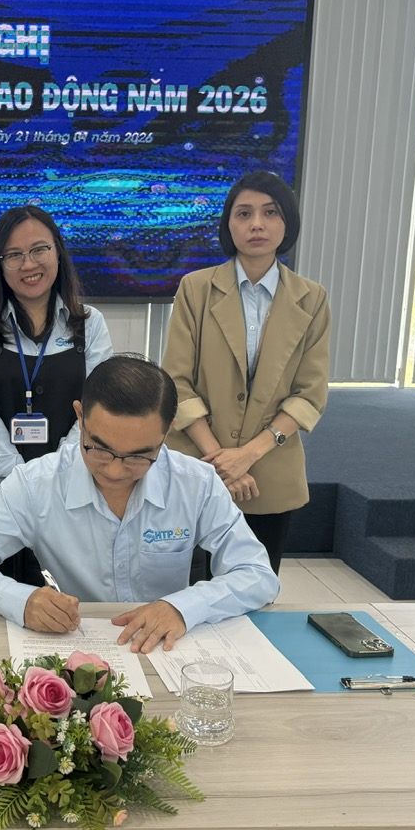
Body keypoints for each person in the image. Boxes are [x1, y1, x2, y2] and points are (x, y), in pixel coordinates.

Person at [0, 355, 277, 654]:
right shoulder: (35, 484)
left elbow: (258, 575)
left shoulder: (196, 483)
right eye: (98, 448)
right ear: (80, 417)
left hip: (165, 648)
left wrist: (181, 608)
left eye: (138, 456)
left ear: (167, 431)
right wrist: (20, 600)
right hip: (76, 647)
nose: (115, 471)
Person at [161, 170, 330, 575]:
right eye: (244, 213)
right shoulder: (195, 289)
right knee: (187, 593)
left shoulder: (311, 298)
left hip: (268, 470)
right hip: (199, 465)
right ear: (229, 224)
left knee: (255, 591)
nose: (257, 224)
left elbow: (309, 394)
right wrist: (221, 461)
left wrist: (247, 456)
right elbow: (177, 384)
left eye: (270, 212)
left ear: (287, 223)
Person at [0, 205, 112, 584]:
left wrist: (57, 475)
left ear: (58, 251)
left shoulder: (89, 324)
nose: (28, 264)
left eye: (39, 249)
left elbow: (95, 409)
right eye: (13, 255)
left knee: (64, 599)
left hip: (71, 484)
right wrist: (18, 482)